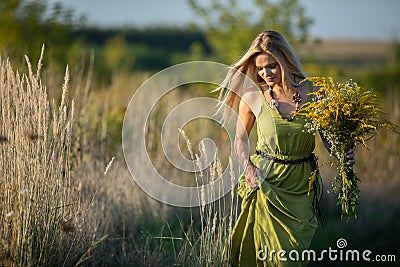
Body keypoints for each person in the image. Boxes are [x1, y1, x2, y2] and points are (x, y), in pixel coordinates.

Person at [216, 30, 355, 266]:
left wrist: (342, 152)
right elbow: (240, 139)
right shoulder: (253, 96)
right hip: (266, 182)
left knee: (293, 258)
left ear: (284, 60)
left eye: (271, 66)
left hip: (302, 184)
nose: (265, 73)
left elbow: (327, 138)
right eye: (259, 68)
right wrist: (248, 167)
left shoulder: (314, 92)